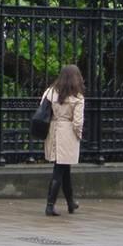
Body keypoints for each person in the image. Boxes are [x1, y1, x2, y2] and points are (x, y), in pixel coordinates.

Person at [41, 63, 85, 217]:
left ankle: (70, 202)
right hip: (68, 132)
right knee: (59, 170)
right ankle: (49, 205)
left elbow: (43, 110)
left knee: (64, 168)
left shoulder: (51, 92)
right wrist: (78, 136)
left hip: (53, 130)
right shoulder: (77, 97)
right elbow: (78, 122)